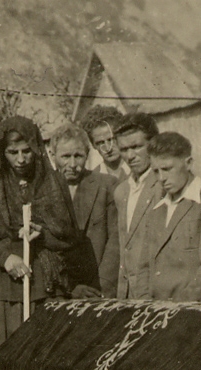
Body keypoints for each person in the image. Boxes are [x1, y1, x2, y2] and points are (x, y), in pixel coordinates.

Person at [0, 115, 81, 361]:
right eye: (13, 152)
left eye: (27, 151)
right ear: (2, 152)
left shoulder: (54, 182)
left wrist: (43, 235)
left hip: (45, 289)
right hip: (1, 295)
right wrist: (5, 258)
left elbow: (70, 238)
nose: (21, 159)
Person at [138, 132, 201, 302]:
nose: (161, 178)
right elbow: (144, 265)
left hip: (192, 314)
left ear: (188, 163)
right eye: (156, 171)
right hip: (154, 313)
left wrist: (176, 309)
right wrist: (145, 304)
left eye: (167, 169)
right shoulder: (156, 208)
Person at [52, 124, 118, 295]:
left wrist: (102, 286)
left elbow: (115, 241)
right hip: (62, 290)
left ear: (87, 155)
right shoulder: (42, 189)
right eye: (65, 156)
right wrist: (68, 287)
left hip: (98, 288)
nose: (73, 164)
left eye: (78, 156)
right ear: (53, 156)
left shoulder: (107, 185)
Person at [112, 113, 161, 298]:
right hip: (129, 297)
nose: (130, 156)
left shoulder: (164, 186)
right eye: (124, 149)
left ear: (153, 144)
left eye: (136, 147)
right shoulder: (121, 191)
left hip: (156, 295)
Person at [80, 106, 128, 179]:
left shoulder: (138, 169)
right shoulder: (91, 178)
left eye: (111, 139)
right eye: (100, 143)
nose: (108, 148)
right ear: (93, 145)